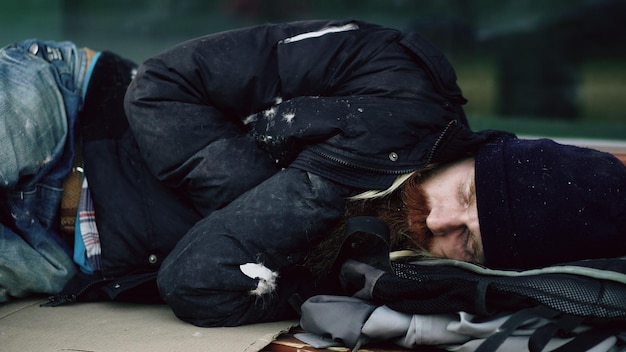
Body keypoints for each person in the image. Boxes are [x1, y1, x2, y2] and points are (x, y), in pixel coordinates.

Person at [2, 19, 624, 330]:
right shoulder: (395, 79)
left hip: (63, 254)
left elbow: (193, 283)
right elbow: (163, 88)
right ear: (472, 153)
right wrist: (263, 194)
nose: (437, 220)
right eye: (463, 194)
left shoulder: (384, 270)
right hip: (64, 112)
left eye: (469, 238)